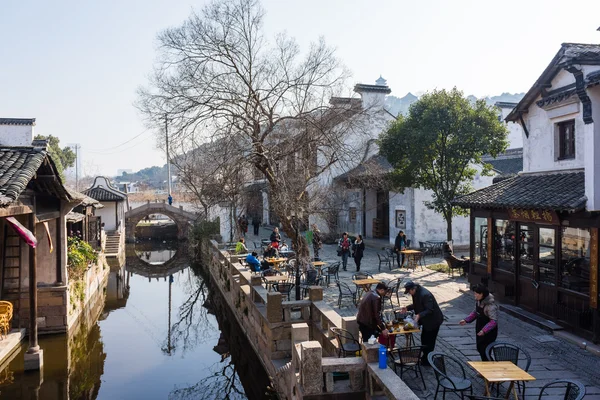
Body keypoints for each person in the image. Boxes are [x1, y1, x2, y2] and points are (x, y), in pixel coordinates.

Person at [401, 280, 444, 366]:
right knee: (424, 338)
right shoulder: (416, 293)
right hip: (426, 321)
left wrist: (419, 315)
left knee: (429, 340)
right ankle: (425, 357)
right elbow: (417, 304)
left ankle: (428, 360)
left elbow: (429, 309)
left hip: (433, 321)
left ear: (413, 289)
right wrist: (407, 308)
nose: (409, 294)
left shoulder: (425, 295)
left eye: (409, 291)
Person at [459, 284, 498, 361]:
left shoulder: (490, 306)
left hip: (488, 332)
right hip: (479, 327)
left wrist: (484, 330)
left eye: (476, 293)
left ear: (482, 294)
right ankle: (485, 369)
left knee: (485, 351)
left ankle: (490, 368)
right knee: (480, 348)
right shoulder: (479, 301)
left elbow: (493, 321)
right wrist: (466, 320)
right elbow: (476, 312)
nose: (475, 295)